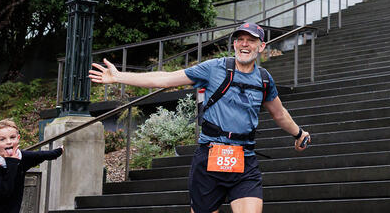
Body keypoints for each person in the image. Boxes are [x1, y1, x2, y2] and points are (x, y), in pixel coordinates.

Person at [89, 22, 311, 213]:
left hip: (245, 159)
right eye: (240, 39)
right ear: (234, 44)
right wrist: (119, 77)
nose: (245, 44)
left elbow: (279, 113)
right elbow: (165, 79)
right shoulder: (214, 69)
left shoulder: (264, 79)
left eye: (251, 40)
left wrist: (299, 133)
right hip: (209, 158)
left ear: (261, 46)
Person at [0, 119, 63, 213]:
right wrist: (12, 162)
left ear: (18, 138)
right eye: (2, 139)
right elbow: (5, 191)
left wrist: (57, 152)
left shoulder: (21, 157)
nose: (9, 142)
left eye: (12, 137)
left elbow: (39, 155)